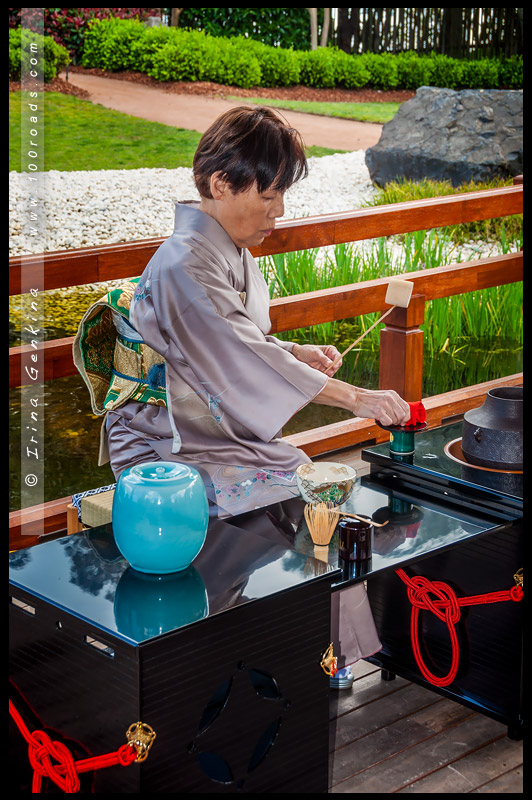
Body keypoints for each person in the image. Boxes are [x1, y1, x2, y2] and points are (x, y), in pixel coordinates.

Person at [74, 105, 410, 520]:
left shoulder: (227, 247)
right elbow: (237, 354)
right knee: (289, 499)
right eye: (269, 196)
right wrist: (356, 397)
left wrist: (290, 350)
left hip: (211, 430)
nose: (280, 210)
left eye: (282, 194)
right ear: (220, 184)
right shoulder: (184, 264)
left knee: (303, 489)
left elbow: (230, 343)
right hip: (163, 438)